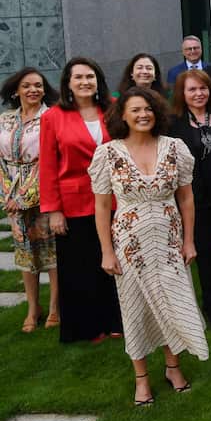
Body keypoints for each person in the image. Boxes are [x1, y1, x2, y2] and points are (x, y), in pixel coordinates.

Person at [90, 87, 208, 406]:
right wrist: (106, 251)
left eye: (148, 109)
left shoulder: (174, 148)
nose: (143, 114)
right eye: (136, 110)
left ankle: (173, 368)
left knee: (171, 303)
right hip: (129, 244)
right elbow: (102, 207)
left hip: (169, 240)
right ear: (122, 116)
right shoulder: (108, 153)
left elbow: (186, 197)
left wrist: (188, 240)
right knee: (136, 308)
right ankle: (141, 378)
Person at [40, 58, 123, 343]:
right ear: (68, 83)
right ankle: (88, 327)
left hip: (115, 198)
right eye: (79, 77)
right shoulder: (52, 116)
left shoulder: (113, 107)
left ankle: (118, 321)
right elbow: (48, 166)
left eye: (91, 76)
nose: (85, 82)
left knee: (116, 262)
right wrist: (53, 211)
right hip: (74, 202)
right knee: (81, 267)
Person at [166, 69, 211, 331]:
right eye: (192, 89)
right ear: (182, 94)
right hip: (194, 200)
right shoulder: (174, 125)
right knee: (205, 258)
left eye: (202, 88)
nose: (198, 94)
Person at [1, 68, 60, 333]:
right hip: (11, 194)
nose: (33, 90)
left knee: (51, 254)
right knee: (25, 254)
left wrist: (25, 196)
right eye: (27, 86)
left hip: (44, 193)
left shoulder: (51, 117)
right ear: (16, 90)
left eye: (38, 85)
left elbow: (49, 160)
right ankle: (32, 307)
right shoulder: (5, 120)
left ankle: (55, 308)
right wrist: (7, 194)